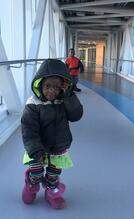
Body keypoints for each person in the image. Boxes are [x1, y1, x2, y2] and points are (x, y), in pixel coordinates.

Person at [21, 59, 83, 209]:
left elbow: (76, 116)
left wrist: (68, 95)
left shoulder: (64, 101)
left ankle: (51, 192)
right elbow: (29, 129)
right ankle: (32, 183)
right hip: (37, 149)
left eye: (56, 87)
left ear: (62, 87)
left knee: (53, 175)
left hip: (58, 148)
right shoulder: (33, 104)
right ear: (40, 85)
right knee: (36, 173)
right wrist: (36, 151)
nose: (51, 91)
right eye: (47, 86)